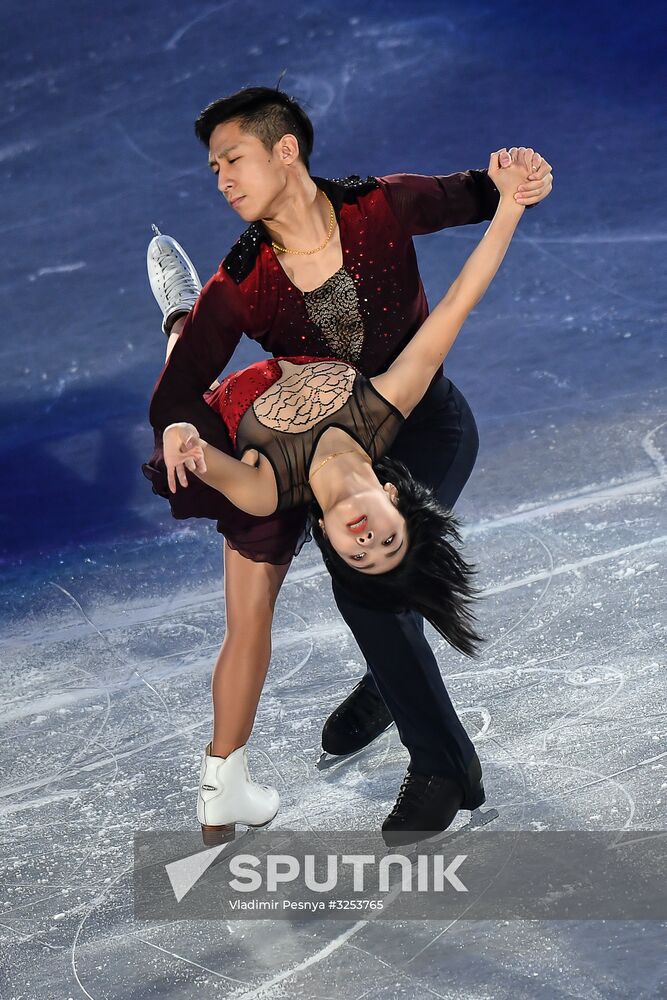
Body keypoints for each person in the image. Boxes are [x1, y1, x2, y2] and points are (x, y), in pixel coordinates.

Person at [143, 85, 553, 846]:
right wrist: (178, 428)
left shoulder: (379, 206)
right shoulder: (241, 284)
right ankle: (399, 691)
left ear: (285, 150)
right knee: (366, 581)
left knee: (368, 584)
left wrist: (516, 180)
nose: (223, 180)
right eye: (215, 170)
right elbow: (177, 391)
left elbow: (474, 195)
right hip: (307, 443)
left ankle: (439, 767)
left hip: (422, 422)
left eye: (233, 160)